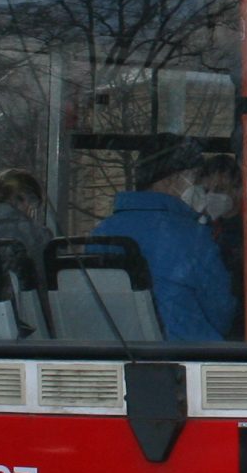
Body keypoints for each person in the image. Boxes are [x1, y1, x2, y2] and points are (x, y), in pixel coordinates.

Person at [89, 137, 238, 342]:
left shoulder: (101, 234)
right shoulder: (192, 237)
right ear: (168, 180)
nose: (200, 189)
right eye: (193, 179)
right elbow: (222, 313)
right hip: (191, 357)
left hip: (114, 352)